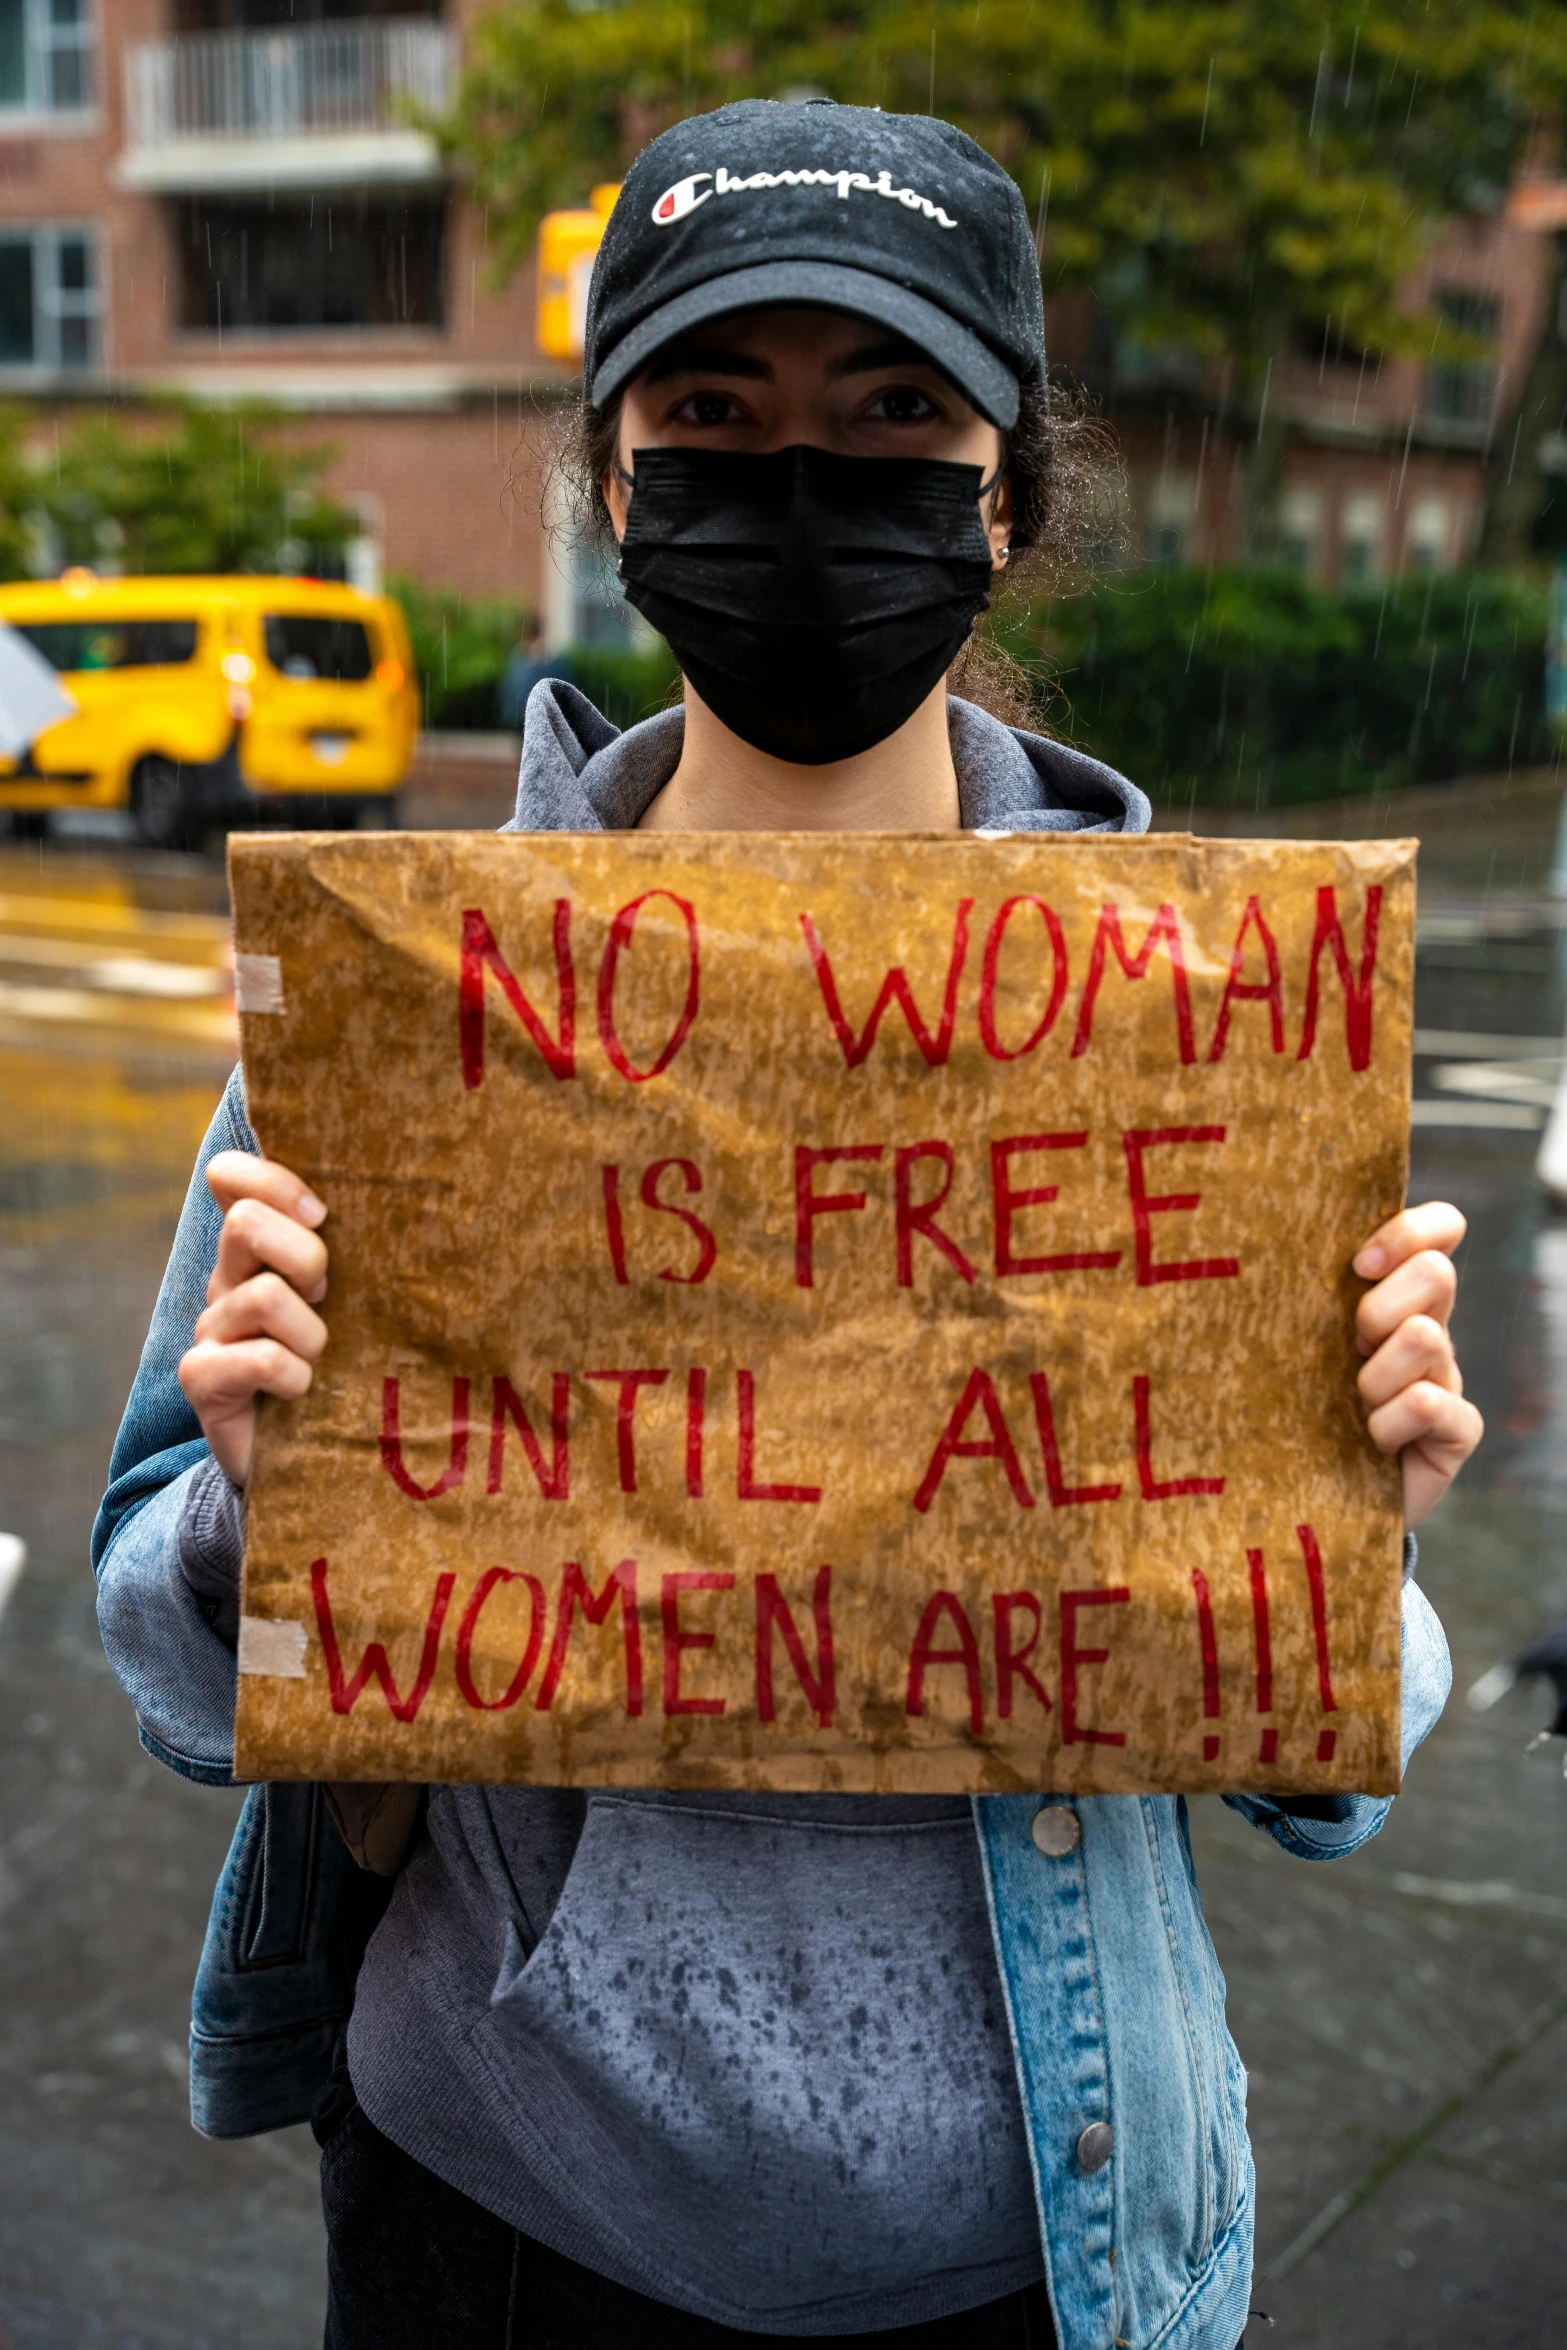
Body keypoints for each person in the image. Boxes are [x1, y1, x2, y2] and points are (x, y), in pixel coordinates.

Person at [93, 101, 1479, 2350]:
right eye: (717, 417)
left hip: (1046, 2242)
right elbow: (162, 1652)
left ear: (1003, 495)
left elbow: (1320, 1775)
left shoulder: (1199, 1038)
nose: (804, 488)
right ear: (618, 486)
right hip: (500, 2222)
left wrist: (1351, 1522)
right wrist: (272, 1512)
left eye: (893, 419)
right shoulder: (403, 1007)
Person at [498, 615, 569, 731]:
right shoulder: (520, 657)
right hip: (528, 714)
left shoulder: (523, 658)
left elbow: (510, 687)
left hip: (529, 713)